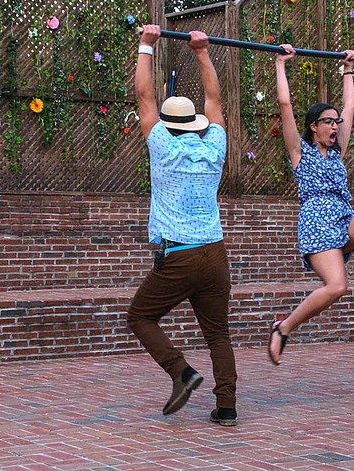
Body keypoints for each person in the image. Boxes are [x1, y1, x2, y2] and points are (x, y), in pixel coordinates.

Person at [126, 24, 238, 426]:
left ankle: (181, 372)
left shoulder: (163, 145)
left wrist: (146, 46)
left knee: (139, 317)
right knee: (218, 334)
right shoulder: (214, 144)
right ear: (193, 123)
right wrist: (203, 51)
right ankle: (226, 406)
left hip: (179, 255)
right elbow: (214, 98)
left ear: (169, 126)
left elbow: (144, 96)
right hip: (215, 253)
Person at [268, 45, 354, 366]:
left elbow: (349, 108)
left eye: (336, 122)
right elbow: (285, 105)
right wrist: (280, 64)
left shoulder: (337, 152)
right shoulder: (301, 154)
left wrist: (349, 68)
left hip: (343, 218)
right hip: (317, 225)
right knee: (337, 286)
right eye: (328, 122)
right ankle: (283, 328)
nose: (335, 126)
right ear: (314, 126)